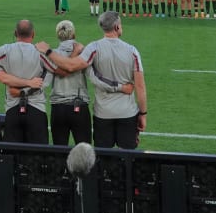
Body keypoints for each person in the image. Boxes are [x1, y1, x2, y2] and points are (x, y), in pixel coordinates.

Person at [41, 11, 147, 150]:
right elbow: (140, 87)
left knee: (102, 158)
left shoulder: (93, 48)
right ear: (116, 27)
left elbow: (72, 67)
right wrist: (143, 114)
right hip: (127, 113)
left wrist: (48, 52)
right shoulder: (132, 51)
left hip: (102, 113)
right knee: (127, 157)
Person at [44, 20, 91, 146]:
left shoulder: (51, 55)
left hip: (58, 108)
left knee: (59, 153)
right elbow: (92, 76)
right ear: (74, 34)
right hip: (79, 106)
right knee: (84, 154)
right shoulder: (84, 53)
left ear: (58, 35)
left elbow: (46, 82)